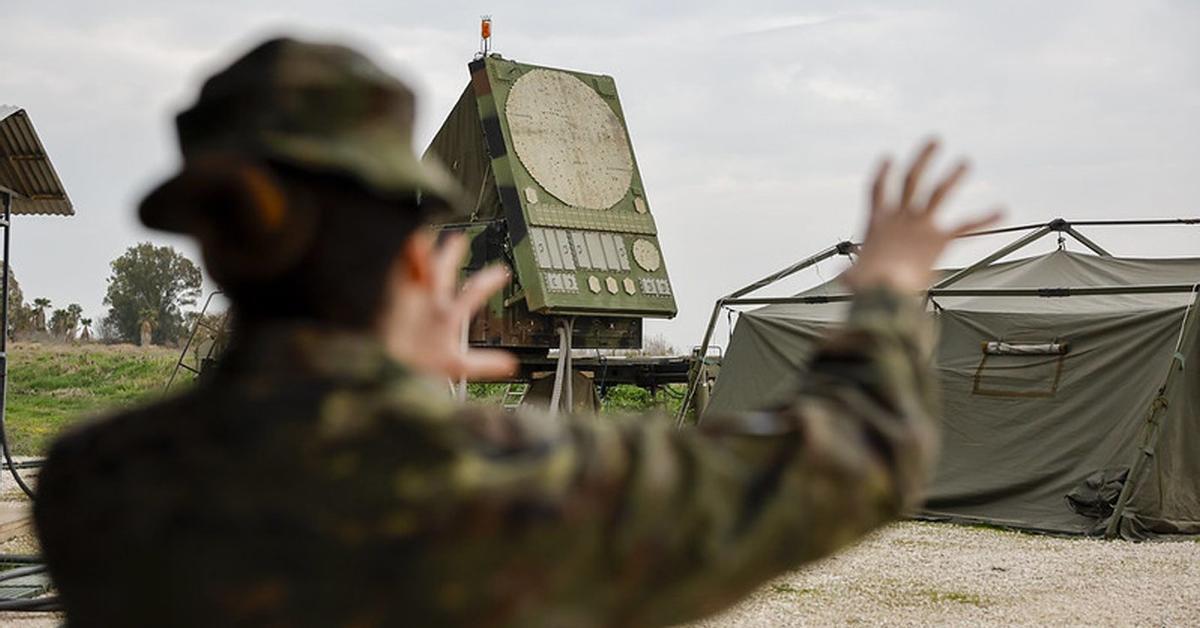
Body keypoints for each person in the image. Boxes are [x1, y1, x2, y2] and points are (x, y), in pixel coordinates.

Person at [33, 37, 1000, 628]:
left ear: (214, 241)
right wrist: (887, 288)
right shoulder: (506, 483)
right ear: (418, 260)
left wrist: (385, 371)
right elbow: (850, 460)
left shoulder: (97, 484)